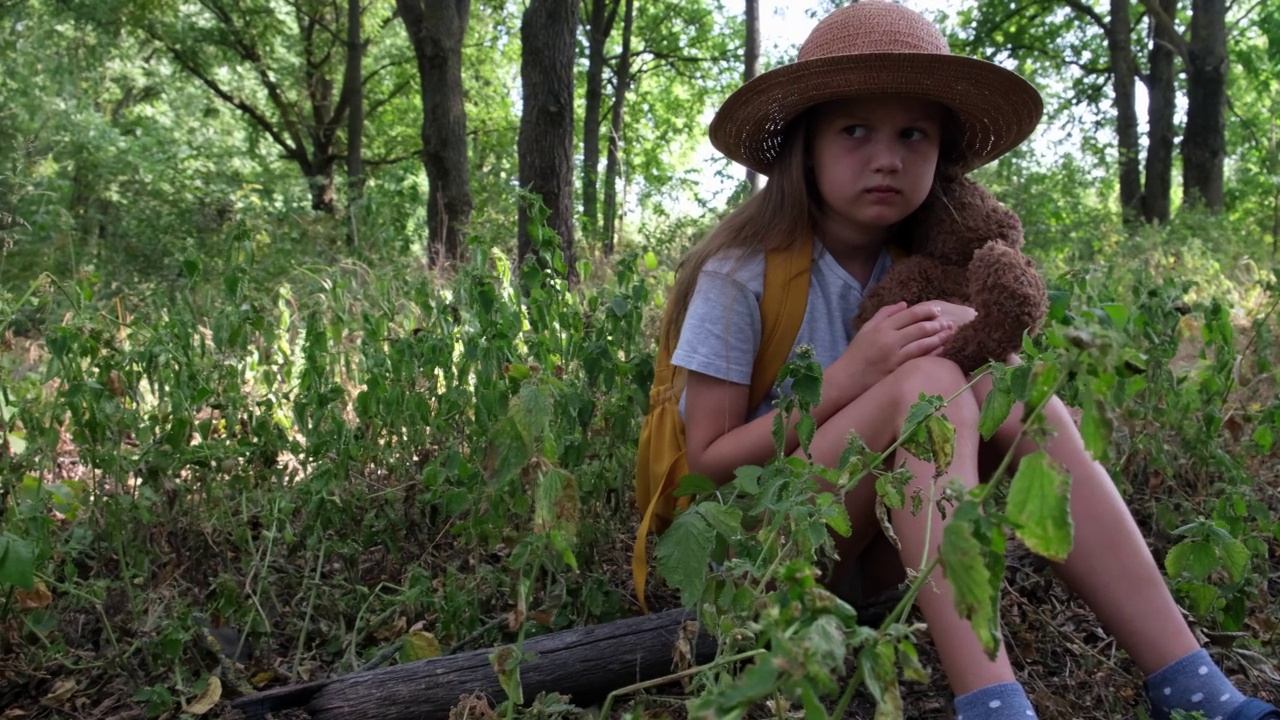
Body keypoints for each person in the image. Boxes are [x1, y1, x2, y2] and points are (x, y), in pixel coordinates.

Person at [663, 2, 1279, 719]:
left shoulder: (928, 266)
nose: (886, 157)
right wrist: (851, 378)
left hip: (888, 548)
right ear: (805, 147)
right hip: (766, 558)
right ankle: (992, 705)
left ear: (942, 155)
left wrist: (985, 343)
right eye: (854, 130)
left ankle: (1190, 685)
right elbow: (703, 467)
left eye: (913, 134)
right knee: (924, 385)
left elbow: (1013, 410)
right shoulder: (742, 275)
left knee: (1011, 387)